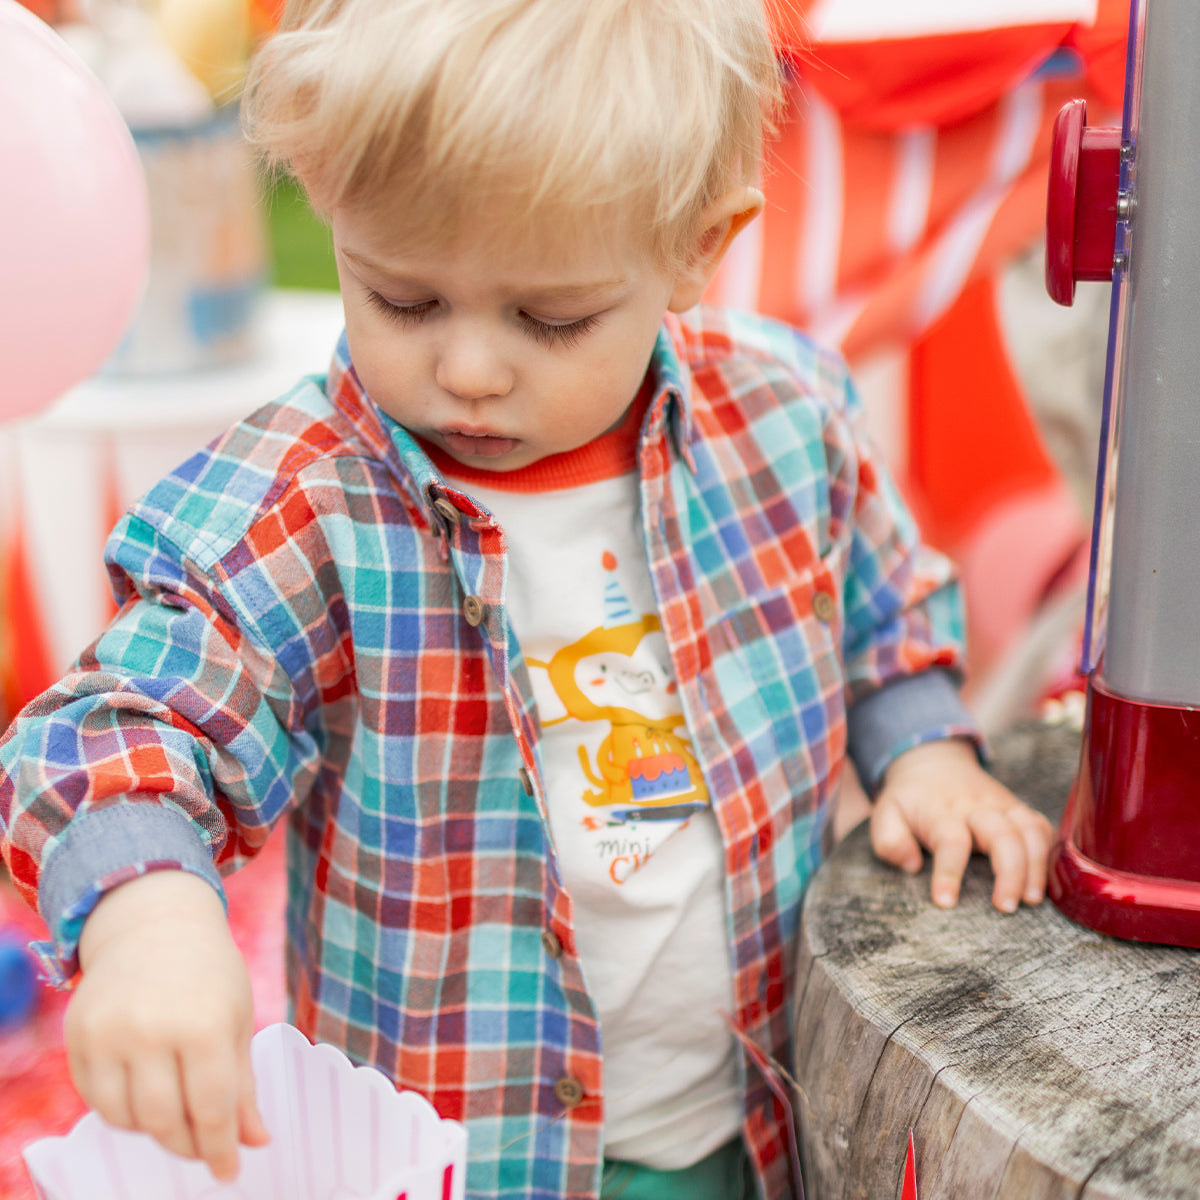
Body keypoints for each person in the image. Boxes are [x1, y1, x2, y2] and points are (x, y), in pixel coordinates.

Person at [0, 1, 1054, 1196]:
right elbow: (123, 723)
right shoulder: (304, 503)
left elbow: (882, 609)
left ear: (699, 248)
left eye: (551, 318)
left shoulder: (784, 416)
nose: (470, 369)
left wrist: (921, 751)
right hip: (466, 1148)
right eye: (404, 299)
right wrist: (149, 920)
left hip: (755, 1109)